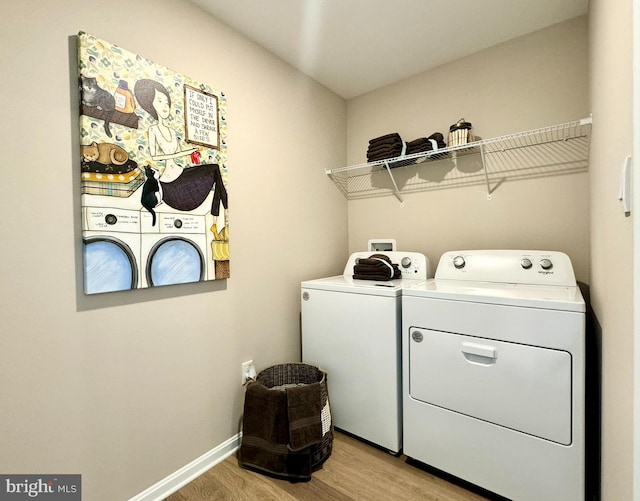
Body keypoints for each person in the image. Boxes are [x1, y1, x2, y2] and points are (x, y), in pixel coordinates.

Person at [134, 79, 227, 215]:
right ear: (150, 104)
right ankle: (223, 207)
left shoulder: (172, 131)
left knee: (214, 169)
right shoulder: (153, 130)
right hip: (170, 182)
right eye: (159, 101)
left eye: (166, 102)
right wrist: (183, 153)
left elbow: (177, 152)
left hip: (181, 172)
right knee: (214, 171)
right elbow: (155, 156)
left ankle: (220, 210)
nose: (165, 105)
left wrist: (191, 153)